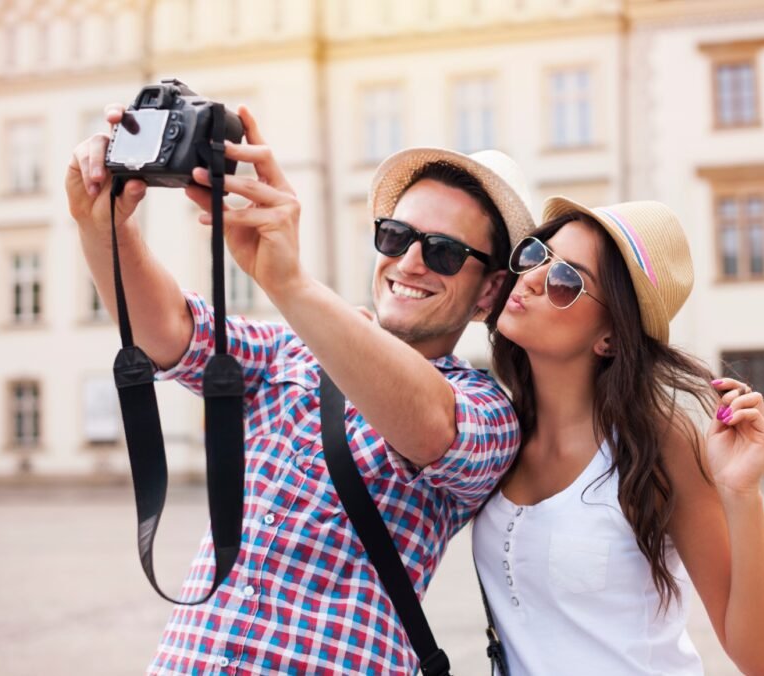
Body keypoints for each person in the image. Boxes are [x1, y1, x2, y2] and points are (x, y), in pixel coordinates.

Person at [65, 103, 536, 674]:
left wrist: (290, 283)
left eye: (444, 251)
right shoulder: (293, 347)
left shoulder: (489, 411)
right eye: (395, 236)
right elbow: (170, 332)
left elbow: (431, 425)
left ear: (488, 292)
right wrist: (104, 226)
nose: (410, 262)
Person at [472, 198, 764, 675]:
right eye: (537, 254)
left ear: (611, 338)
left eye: (567, 282)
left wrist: (741, 494)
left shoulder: (659, 445)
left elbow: (762, 659)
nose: (534, 279)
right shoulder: (497, 431)